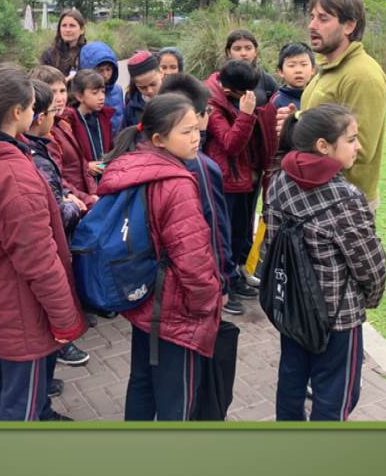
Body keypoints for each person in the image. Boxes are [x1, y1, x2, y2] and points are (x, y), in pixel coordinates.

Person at [0, 65, 87, 421]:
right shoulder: (14, 176)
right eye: (33, 107)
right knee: (20, 408)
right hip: (19, 308)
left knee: (0, 390)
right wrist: (65, 319)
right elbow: (39, 261)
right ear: (17, 112)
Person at [98, 94, 223, 421]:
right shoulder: (176, 183)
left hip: (143, 295)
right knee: (177, 397)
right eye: (186, 132)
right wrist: (207, 303)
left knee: (141, 382)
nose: (196, 138)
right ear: (158, 139)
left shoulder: (134, 165)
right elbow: (192, 258)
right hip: (175, 309)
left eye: (196, 128)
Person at [266, 103, 386, 421]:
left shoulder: (279, 180)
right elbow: (370, 265)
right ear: (323, 145)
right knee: (335, 398)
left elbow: (269, 242)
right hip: (337, 319)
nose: (359, 147)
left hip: (291, 308)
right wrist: (370, 299)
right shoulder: (346, 198)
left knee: (291, 382)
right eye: (352, 139)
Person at [275, 0, 386, 209]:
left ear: (349, 26)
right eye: (312, 17)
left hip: (343, 206)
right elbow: (322, 122)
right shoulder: (328, 68)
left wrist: (297, 128)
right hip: (317, 198)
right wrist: (295, 120)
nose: (312, 25)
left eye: (323, 18)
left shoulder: (362, 76)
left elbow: (361, 149)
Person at [159, 74, 242, 315]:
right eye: (208, 111)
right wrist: (224, 280)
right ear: (195, 116)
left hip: (154, 278)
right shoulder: (201, 166)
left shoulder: (143, 151)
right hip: (190, 279)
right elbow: (215, 228)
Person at [23, 79, 92, 368]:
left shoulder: (40, 146)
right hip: (48, 242)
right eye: (52, 109)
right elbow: (51, 212)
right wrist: (71, 206)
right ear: (39, 117)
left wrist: (66, 195)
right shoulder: (34, 155)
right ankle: (58, 345)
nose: (58, 111)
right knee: (50, 294)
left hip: (53, 234)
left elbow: (56, 185)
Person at [204, 60, 276, 300]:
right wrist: (246, 114)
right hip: (226, 179)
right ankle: (227, 285)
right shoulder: (213, 103)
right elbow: (230, 144)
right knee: (226, 235)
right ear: (228, 90)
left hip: (245, 176)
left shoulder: (234, 93)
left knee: (243, 231)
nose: (249, 95)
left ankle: (237, 275)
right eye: (243, 92)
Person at [30, 65, 99, 209]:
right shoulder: (44, 133)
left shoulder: (63, 123)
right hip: (75, 203)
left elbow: (82, 163)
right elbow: (58, 178)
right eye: (53, 92)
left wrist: (93, 193)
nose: (60, 98)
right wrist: (89, 200)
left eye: (62, 90)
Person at [62, 69, 114, 178]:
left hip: (105, 176)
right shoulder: (69, 122)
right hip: (82, 179)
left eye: (103, 91)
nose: (101, 97)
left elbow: (110, 149)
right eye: (95, 93)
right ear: (79, 96)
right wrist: (86, 166)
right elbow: (68, 159)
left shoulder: (105, 117)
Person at [79, 40, 125, 135]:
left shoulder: (118, 90)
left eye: (108, 69)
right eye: (100, 70)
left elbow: (123, 118)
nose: (105, 75)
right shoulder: (83, 93)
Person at [224, 29, 278, 107]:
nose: (243, 53)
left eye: (248, 48)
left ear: (255, 51)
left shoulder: (267, 81)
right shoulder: (219, 82)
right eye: (237, 49)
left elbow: (277, 108)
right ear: (229, 52)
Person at [121, 50, 163, 129]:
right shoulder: (132, 109)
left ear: (161, 73)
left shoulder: (177, 98)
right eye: (142, 87)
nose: (149, 91)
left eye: (153, 84)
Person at [39, 8, 87, 77]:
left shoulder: (88, 54)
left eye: (72, 26)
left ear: (82, 29)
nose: (67, 30)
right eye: (64, 25)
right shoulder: (49, 55)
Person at [274, 42, 316, 110]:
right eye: (291, 65)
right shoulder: (276, 102)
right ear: (281, 72)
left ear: (313, 69)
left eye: (304, 64)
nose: (298, 70)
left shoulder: (318, 97)